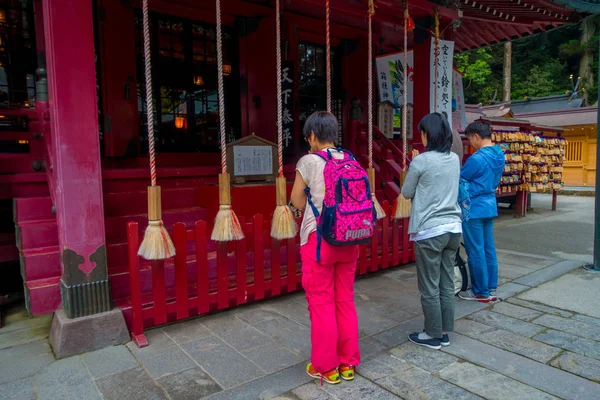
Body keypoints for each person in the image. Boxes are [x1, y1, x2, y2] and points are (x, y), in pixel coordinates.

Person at [290, 111, 360, 384]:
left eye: (309, 137)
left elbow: (296, 200)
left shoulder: (309, 161)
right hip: (350, 238)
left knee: (321, 303)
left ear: (314, 136)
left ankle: (326, 366)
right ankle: (348, 364)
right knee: (344, 300)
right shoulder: (351, 159)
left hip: (319, 241)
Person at [401, 113, 462, 350]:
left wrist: (413, 163)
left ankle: (432, 334)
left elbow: (406, 192)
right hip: (453, 228)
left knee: (429, 284)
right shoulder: (454, 159)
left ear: (429, 134)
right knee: (446, 283)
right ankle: (445, 331)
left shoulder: (421, 161)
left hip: (430, 230)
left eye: (423, 132)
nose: (421, 136)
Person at [458, 121, 505, 303]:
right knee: (488, 248)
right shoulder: (499, 155)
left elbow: (461, 181)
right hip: (490, 205)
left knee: (475, 250)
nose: (471, 143)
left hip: (474, 208)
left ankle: (480, 292)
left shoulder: (476, 159)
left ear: (476, 136)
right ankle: (490, 287)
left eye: (470, 139)